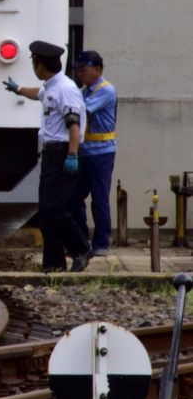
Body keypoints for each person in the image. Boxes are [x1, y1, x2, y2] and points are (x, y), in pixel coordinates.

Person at [2, 41, 91, 272]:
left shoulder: (65, 89)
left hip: (64, 152)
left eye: (33, 62)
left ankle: (81, 249)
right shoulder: (51, 86)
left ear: (40, 65)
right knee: (46, 211)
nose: (33, 65)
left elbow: (74, 125)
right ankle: (54, 263)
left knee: (54, 208)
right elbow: (39, 94)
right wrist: (18, 89)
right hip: (52, 152)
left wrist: (72, 155)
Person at [68, 50, 117, 256]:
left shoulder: (106, 91)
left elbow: (80, 112)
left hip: (102, 153)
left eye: (84, 69)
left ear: (97, 70)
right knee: (75, 197)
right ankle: (81, 241)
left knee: (99, 198)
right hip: (85, 151)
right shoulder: (84, 90)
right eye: (78, 70)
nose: (80, 73)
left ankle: (101, 244)